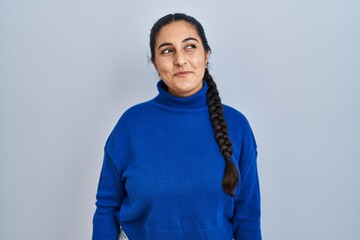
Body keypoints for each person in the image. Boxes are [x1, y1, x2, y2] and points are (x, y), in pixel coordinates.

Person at [92, 13, 261, 240]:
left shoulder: (237, 126)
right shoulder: (130, 125)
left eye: (190, 46)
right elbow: (106, 207)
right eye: (167, 50)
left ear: (206, 54)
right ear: (154, 63)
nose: (180, 60)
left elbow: (247, 215)